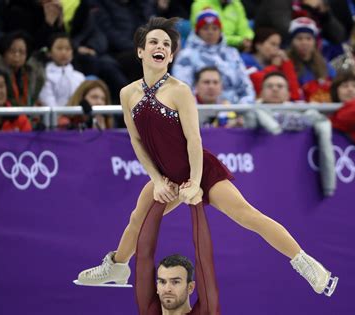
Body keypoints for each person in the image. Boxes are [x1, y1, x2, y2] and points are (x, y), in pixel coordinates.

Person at [77, 17, 338, 297]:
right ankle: (117, 266)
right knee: (137, 220)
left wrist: (195, 182)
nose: (160, 46)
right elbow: (137, 140)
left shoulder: (179, 90)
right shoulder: (127, 93)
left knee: (248, 215)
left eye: (166, 44)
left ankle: (308, 265)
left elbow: (194, 139)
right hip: (166, 175)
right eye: (153, 41)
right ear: (141, 51)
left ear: (172, 55)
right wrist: (158, 180)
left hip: (200, 170)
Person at [172, 9, 255, 105]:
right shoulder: (187, 55)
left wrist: (241, 109)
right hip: (200, 109)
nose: (210, 32)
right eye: (206, 28)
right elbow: (182, 89)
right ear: (197, 32)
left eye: (214, 28)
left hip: (234, 109)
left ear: (220, 31)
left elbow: (245, 86)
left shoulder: (232, 53)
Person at [0, 31, 45, 107]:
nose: (17, 55)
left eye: (21, 52)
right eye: (12, 51)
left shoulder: (35, 74)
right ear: (4, 52)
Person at [241, 27, 302, 101]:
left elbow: (295, 95)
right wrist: (273, 67)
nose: (277, 49)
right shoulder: (244, 60)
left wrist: (286, 63)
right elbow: (260, 88)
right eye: (273, 44)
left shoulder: (279, 63)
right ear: (258, 45)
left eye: (278, 45)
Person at [287, 17, 336, 102]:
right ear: (292, 41)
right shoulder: (286, 63)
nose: (304, 42)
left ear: (314, 42)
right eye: (299, 38)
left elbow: (334, 84)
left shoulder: (324, 64)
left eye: (308, 38)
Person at [38, 33, 85, 107]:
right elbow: (48, 102)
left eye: (68, 49)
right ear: (49, 53)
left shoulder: (80, 77)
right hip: (53, 117)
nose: (64, 52)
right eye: (59, 48)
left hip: (75, 117)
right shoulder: (44, 75)